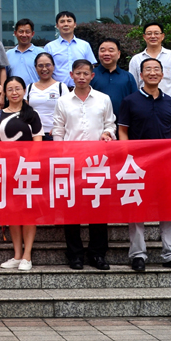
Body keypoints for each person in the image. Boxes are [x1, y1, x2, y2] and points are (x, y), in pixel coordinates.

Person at [118, 58, 171, 272]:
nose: (152, 72)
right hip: (138, 165)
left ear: (162, 74)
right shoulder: (130, 100)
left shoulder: (169, 102)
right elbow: (123, 131)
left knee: (169, 207)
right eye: (148, 69)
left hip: (166, 164)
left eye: (156, 69)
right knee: (136, 209)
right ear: (141, 75)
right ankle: (138, 255)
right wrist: (126, 155)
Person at [52, 59, 115, 271]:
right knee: (72, 209)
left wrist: (108, 133)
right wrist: (60, 158)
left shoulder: (103, 99)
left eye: (85, 73)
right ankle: (75, 254)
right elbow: (58, 130)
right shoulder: (63, 101)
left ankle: (97, 254)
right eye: (78, 73)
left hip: (98, 163)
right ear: (71, 75)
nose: (81, 77)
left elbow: (110, 123)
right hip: (72, 163)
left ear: (92, 76)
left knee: (98, 208)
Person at [0, 76, 43, 272]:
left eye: (18, 88)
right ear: (5, 93)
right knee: (12, 212)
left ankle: (27, 256)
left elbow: (38, 142)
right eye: (10, 89)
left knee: (28, 212)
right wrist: (3, 164)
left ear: (24, 91)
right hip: (7, 171)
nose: (14, 92)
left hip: (27, 171)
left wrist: (26, 165)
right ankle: (17, 254)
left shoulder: (32, 114)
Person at [128, 22, 171, 122]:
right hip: (142, 107)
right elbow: (133, 86)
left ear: (162, 36)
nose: (153, 36)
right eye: (149, 33)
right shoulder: (136, 59)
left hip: (168, 107)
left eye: (156, 33)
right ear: (144, 37)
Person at [44, 11, 96, 88]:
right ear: (57, 25)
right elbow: (45, 69)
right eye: (62, 21)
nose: (66, 24)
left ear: (74, 24)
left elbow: (91, 66)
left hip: (80, 89)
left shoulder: (84, 45)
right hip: (57, 89)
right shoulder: (49, 47)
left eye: (69, 21)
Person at [25, 52, 69, 141]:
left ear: (53, 66)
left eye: (48, 65)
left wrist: (59, 128)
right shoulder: (29, 88)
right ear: (35, 68)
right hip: (34, 134)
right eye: (40, 66)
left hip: (54, 134)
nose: (44, 69)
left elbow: (68, 111)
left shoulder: (61, 87)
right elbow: (25, 111)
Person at [91, 38, 137, 116]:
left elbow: (135, 101)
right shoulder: (90, 75)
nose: (106, 53)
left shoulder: (128, 77)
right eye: (102, 50)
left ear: (118, 54)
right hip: (96, 120)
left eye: (111, 50)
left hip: (122, 121)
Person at [6, 19, 40, 84]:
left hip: (35, 90)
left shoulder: (40, 53)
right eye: (21, 32)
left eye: (27, 32)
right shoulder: (8, 54)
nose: (24, 35)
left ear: (32, 34)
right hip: (15, 90)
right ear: (15, 33)